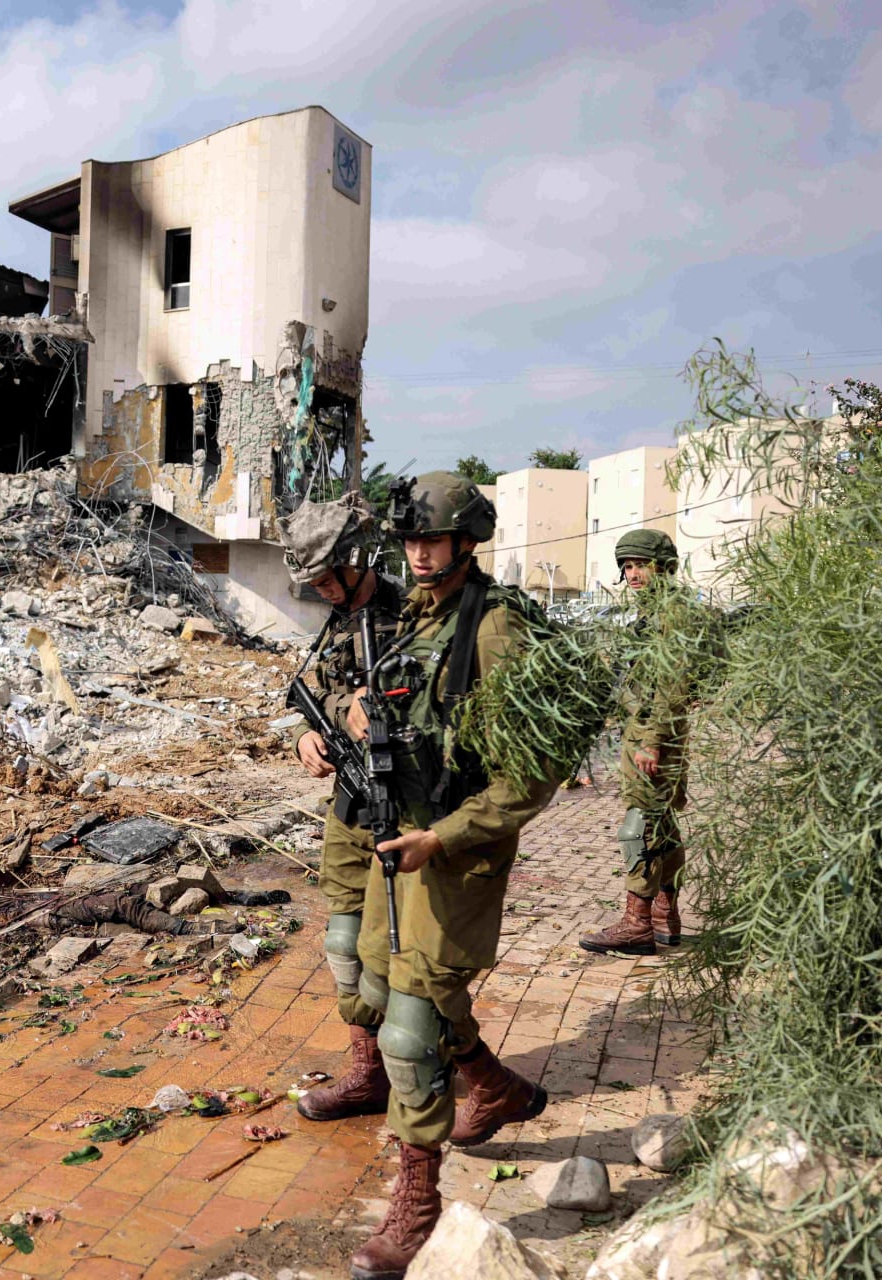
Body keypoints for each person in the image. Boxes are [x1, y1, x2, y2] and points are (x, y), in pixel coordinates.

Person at [338, 472, 560, 1280]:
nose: (419, 553)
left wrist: (446, 836)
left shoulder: (497, 629)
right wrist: (355, 709)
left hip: (455, 850)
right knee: (382, 983)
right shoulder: (410, 617)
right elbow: (382, 702)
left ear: (467, 540)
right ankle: (493, 1086)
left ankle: (417, 1204)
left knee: (408, 1030)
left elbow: (534, 770)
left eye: (432, 538)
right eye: (410, 540)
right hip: (399, 840)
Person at [280, 495, 407, 1121]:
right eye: (314, 582)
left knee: (398, 952)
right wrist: (305, 736)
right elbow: (324, 699)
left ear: (358, 560)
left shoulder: (412, 619)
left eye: (328, 578)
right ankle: (367, 1072)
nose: (322, 590)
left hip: (405, 810)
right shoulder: (337, 622)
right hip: (350, 806)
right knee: (344, 942)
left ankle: (438, 1063)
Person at [581, 529, 689, 956]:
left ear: (664, 567)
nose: (633, 573)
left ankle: (637, 924)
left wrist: (653, 740)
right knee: (664, 826)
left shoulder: (673, 614)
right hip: (645, 732)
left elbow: (674, 684)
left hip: (654, 735)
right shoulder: (655, 612)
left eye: (641, 564)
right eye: (627, 566)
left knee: (638, 829)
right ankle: (664, 914)